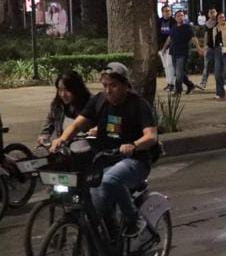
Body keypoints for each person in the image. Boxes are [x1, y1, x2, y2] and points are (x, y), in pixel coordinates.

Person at [49, 63, 158, 238]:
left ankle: (134, 218)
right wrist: (62, 139)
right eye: (105, 85)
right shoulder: (99, 101)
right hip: (104, 159)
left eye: (113, 85)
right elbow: (77, 124)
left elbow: (151, 136)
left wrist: (134, 145)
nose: (108, 90)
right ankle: (109, 238)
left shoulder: (138, 104)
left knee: (108, 180)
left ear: (125, 85)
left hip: (135, 161)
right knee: (92, 199)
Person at [38, 71, 91, 146]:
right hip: (64, 148)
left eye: (67, 90)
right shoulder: (57, 106)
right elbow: (49, 123)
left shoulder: (91, 104)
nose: (63, 94)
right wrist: (44, 136)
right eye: (60, 90)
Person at [165, 9, 198, 95]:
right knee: (179, 72)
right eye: (178, 16)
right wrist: (164, 48)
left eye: (182, 15)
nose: (180, 17)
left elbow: (193, 38)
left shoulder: (187, 27)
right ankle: (190, 85)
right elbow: (169, 38)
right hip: (173, 52)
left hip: (182, 53)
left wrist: (198, 48)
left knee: (179, 73)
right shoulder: (173, 27)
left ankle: (178, 90)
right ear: (175, 18)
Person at [197, 7, 219, 91]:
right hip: (209, 47)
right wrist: (204, 47)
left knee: (220, 67)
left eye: (214, 12)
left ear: (216, 13)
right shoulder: (207, 24)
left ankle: (223, 84)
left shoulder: (220, 22)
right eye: (211, 12)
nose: (212, 14)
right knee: (206, 67)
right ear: (208, 14)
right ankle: (203, 83)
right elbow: (206, 35)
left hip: (219, 48)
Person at [156, 5, 176, 92]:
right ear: (162, 12)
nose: (168, 12)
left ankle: (172, 84)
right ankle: (168, 83)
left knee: (170, 65)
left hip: (170, 47)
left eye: (169, 11)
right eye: (166, 11)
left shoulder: (173, 21)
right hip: (161, 47)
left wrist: (165, 47)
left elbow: (172, 36)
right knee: (165, 66)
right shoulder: (159, 21)